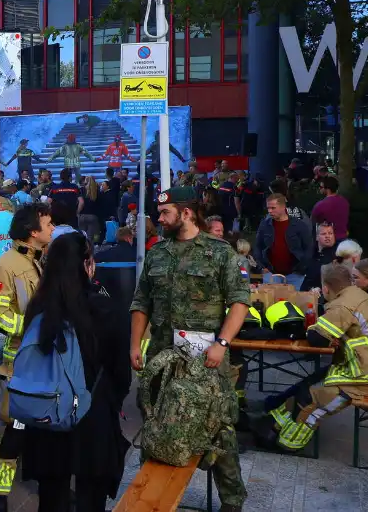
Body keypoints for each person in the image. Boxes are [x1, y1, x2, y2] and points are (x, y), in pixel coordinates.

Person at [131, 186, 248, 511]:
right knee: (154, 418)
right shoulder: (157, 253)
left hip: (205, 357)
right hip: (162, 357)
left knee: (218, 425)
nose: (159, 217)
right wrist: (135, 345)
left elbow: (240, 302)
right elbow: (141, 302)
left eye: (165, 212)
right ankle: (149, 495)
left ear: (185, 213)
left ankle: (232, 500)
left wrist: (222, 344)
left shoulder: (220, 253)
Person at [20, 232, 130, 511]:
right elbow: (121, 371)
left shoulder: (39, 310)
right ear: (87, 265)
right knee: (91, 497)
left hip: (49, 413)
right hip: (94, 411)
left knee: (51, 495)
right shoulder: (105, 309)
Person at [255, 264, 368, 454]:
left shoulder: (342, 305)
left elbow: (317, 338)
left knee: (313, 394)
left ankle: (287, 443)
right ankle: (273, 424)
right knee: (312, 379)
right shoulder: (358, 295)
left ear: (325, 288)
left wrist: (304, 330)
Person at [0, 203, 53, 511]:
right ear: (32, 232)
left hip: (41, 363)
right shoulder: (5, 265)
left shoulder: (40, 261)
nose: (52, 229)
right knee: (11, 431)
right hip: (16, 367)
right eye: (48, 224)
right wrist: (35, 327)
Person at [253, 193, 313, 289]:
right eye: (268, 208)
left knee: (293, 303)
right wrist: (261, 267)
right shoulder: (265, 225)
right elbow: (257, 246)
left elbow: (309, 248)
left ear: (283, 207)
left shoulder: (299, 225)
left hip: (295, 275)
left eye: (273, 208)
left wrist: (302, 268)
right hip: (271, 274)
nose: (270, 211)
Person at [301, 222, 338, 293]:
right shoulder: (310, 254)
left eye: (330, 233)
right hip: (309, 294)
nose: (327, 236)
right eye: (323, 234)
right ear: (317, 237)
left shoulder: (338, 256)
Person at [310, 176, 349, 242]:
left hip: (328, 241)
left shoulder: (321, 205)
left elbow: (311, 222)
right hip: (343, 239)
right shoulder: (345, 201)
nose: (320, 189)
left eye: (321, 187)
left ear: (327, 189)